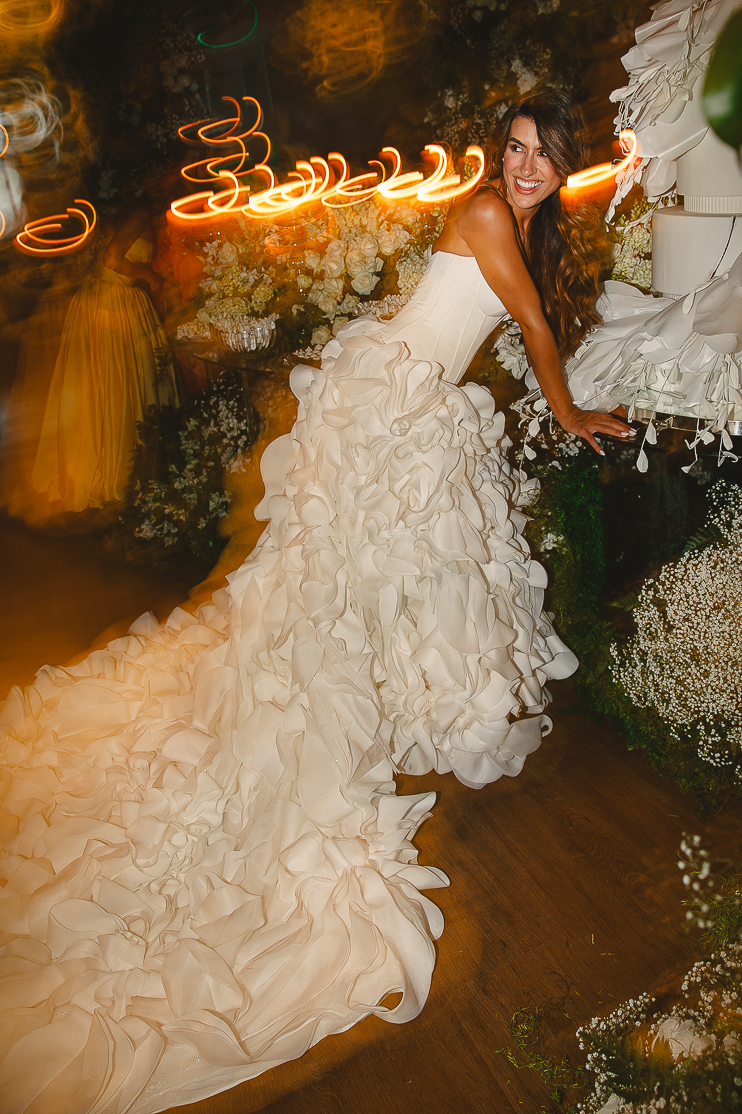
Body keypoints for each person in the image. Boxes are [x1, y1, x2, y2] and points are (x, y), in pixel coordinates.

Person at [0, 88, 634, 1114]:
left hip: (410, 398)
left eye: (541, 156)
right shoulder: (484, 214)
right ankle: (336, 699)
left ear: (562, 166)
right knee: (348, 576)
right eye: (515, 149)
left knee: (385, 573)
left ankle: (378, 688)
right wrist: (569, 410)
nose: (523, 168)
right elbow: (530, 328)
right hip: (394, 403)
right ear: (500, 155)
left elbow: (525, 321)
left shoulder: (521, 220)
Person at [1, 201, 181, 522]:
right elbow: (111, 260)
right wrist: (149, 276)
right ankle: (108, 471)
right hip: (112, 305)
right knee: (111, 386)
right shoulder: (138, 211)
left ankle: (110, 465)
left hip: (112, 301)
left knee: (109, 388)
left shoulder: (137, 213)